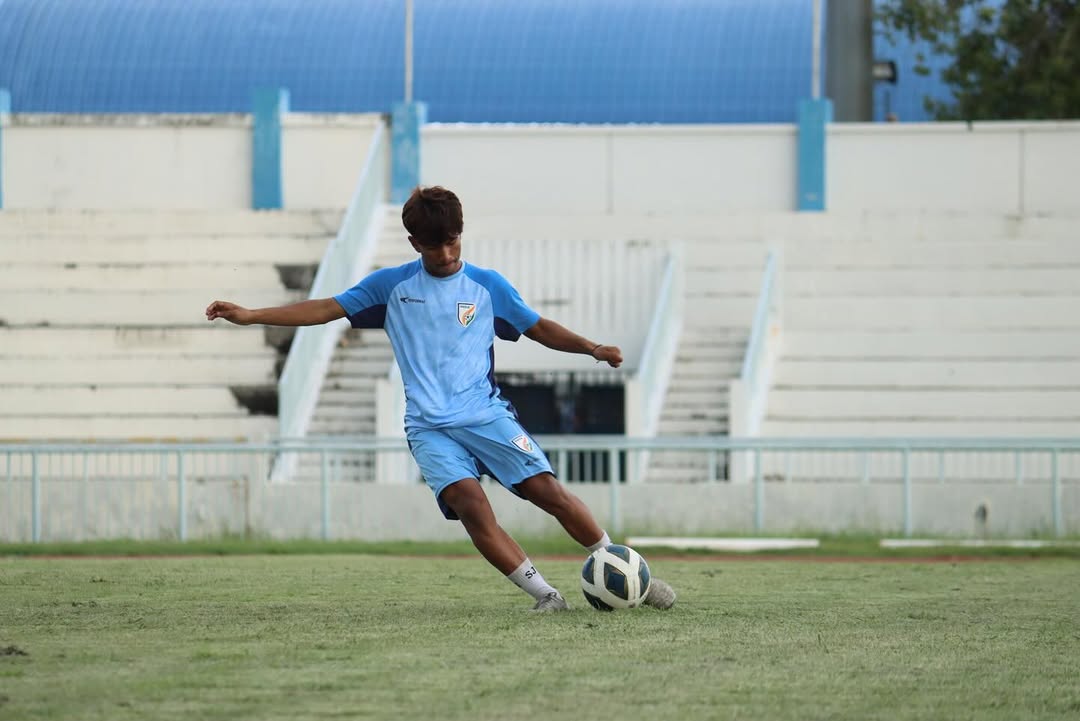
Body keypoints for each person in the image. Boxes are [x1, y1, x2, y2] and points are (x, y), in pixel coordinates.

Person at [206, 185, 676, 612]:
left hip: (486, 415)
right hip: (429, 427)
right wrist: (251, 316)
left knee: (547, 492)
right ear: (415, 244)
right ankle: (546, 596)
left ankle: (625, 571)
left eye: (454, 240)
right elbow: (326, 308)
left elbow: (538, 327)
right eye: (436, 245)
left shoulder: (487, 285)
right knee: (472, 507)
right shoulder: (390, 287)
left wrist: (592, 348)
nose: (448, 252)